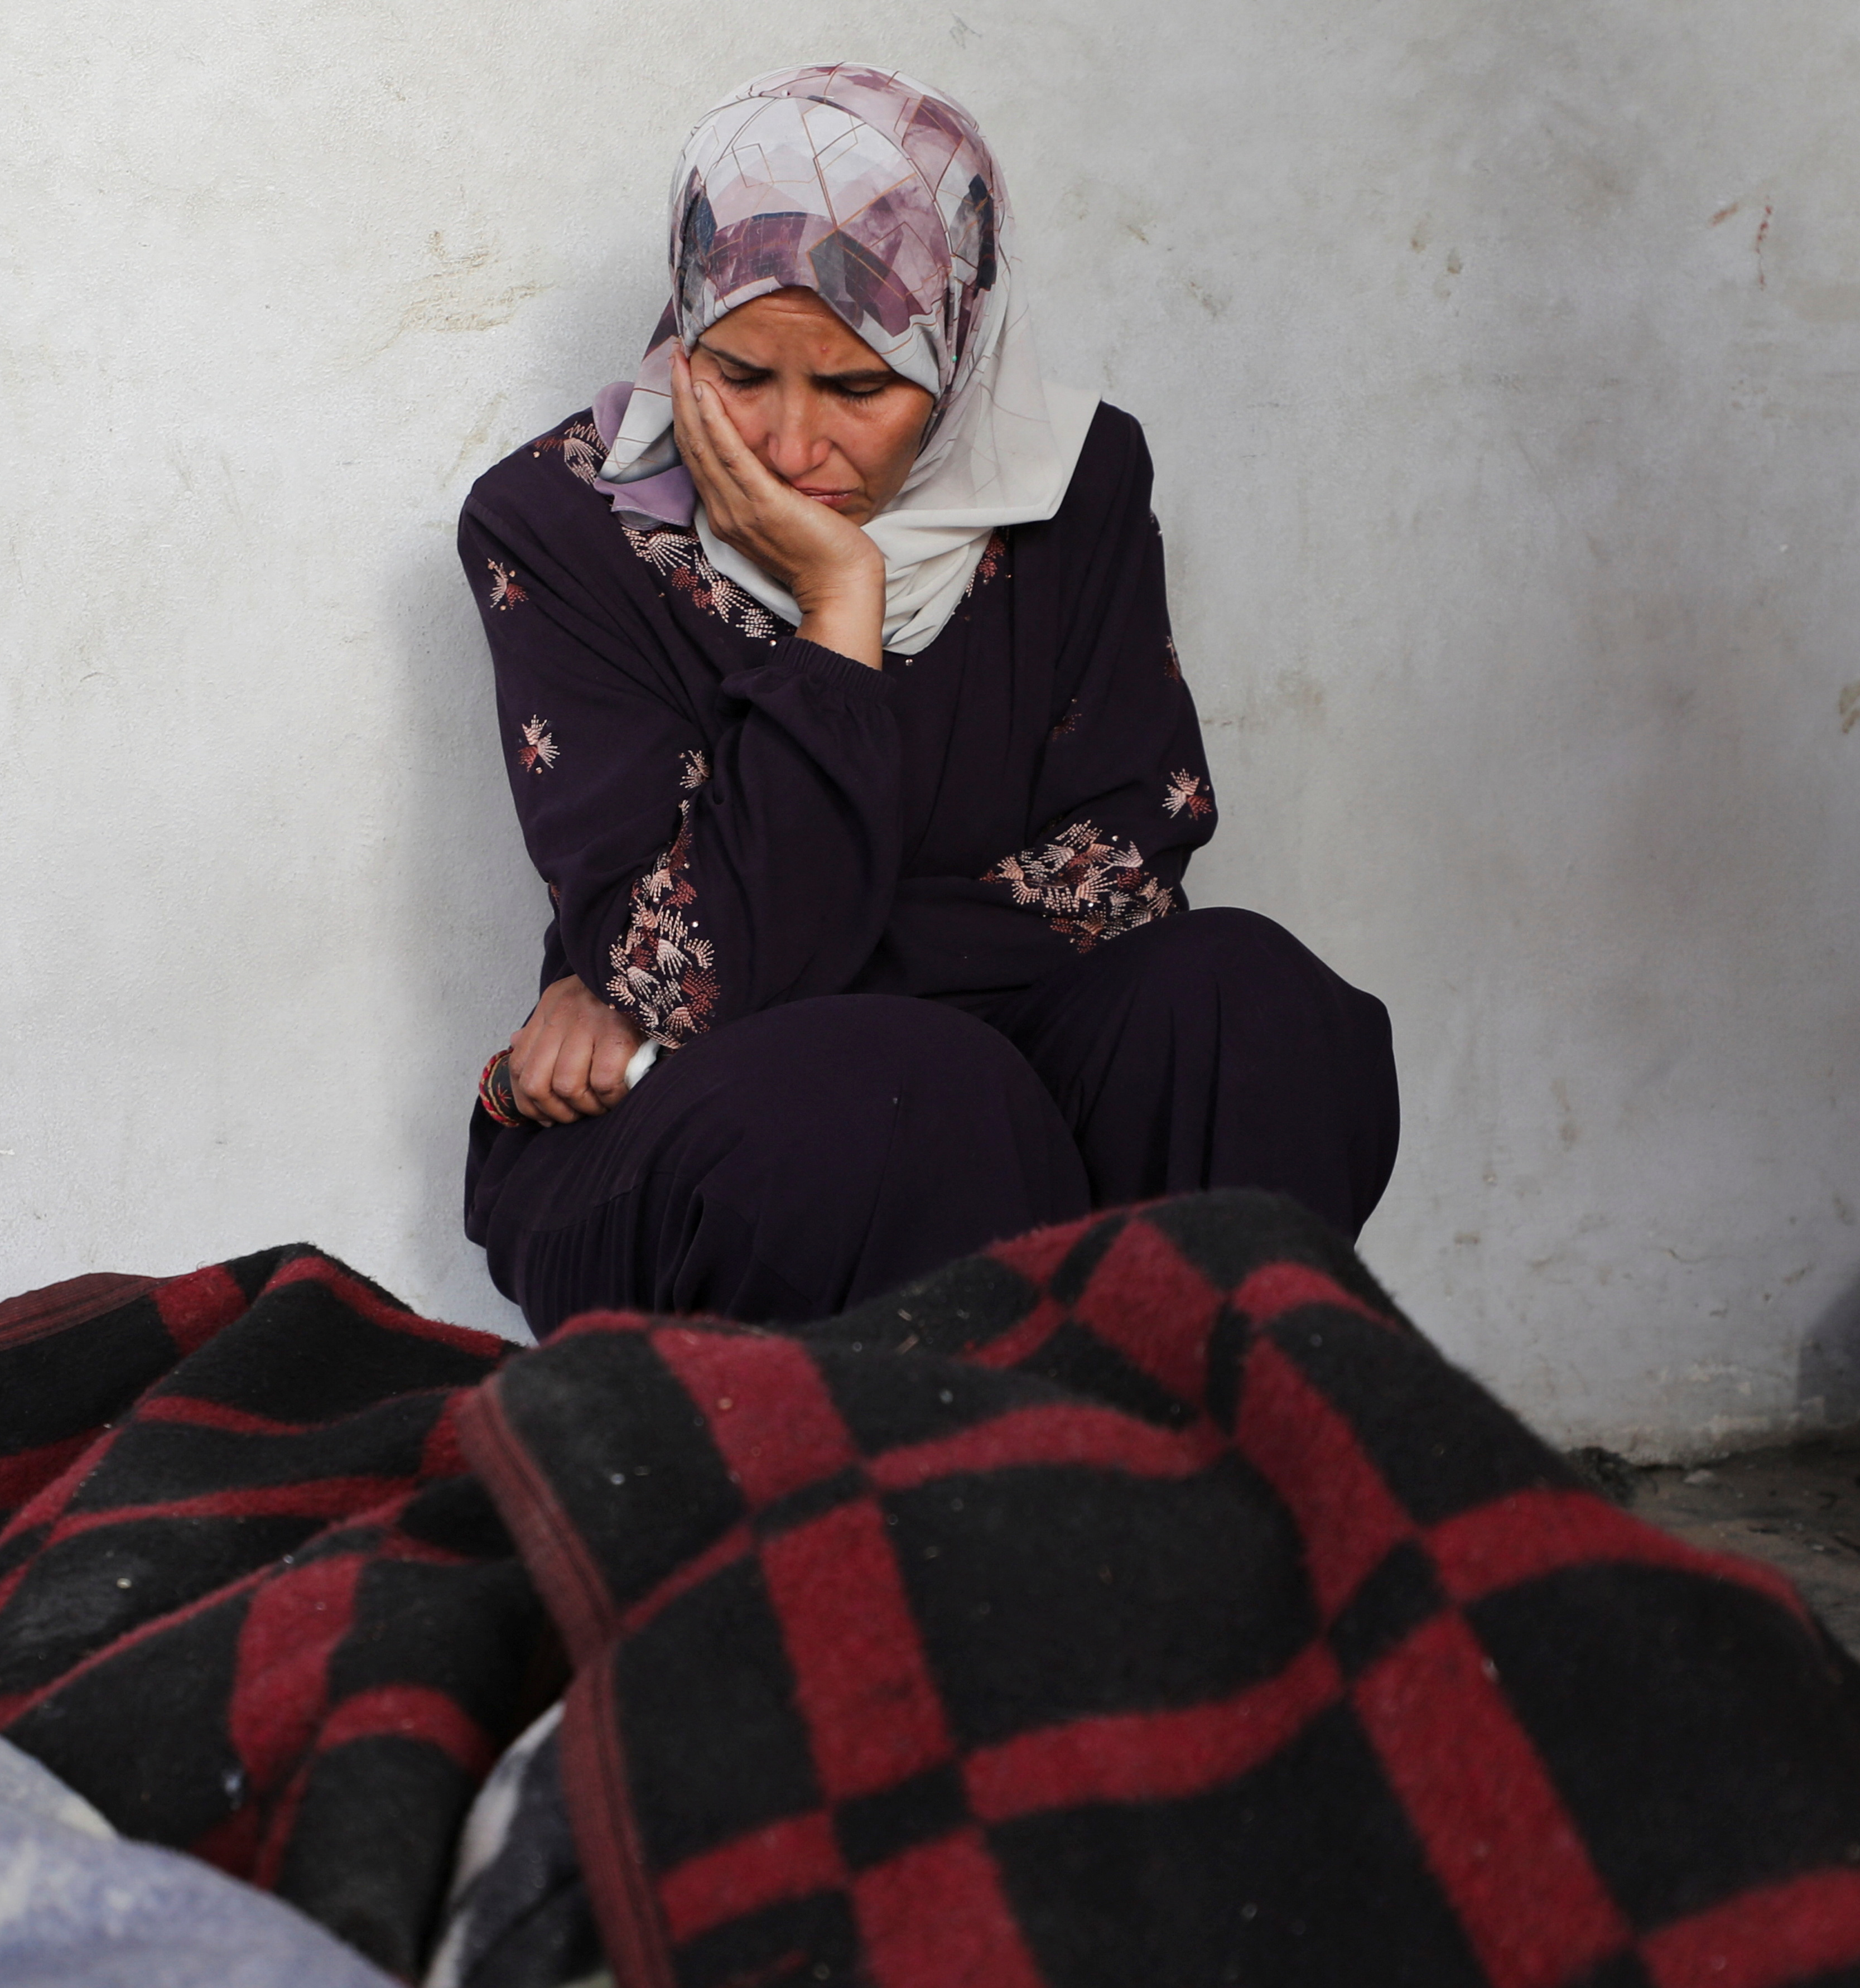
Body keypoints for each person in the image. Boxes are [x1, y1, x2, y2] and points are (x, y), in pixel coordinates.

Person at [459, 64, 1397, 1337]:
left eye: (857, 388)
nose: (789, 452)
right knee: (901, 1083)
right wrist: (838, 612)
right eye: (738, 374)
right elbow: (689, 981)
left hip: (951, 1075)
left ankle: (1196, 1479)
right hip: (709, 1130)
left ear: (957, 346)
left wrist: (648, 992)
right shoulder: (560, 527)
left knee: (1244, 999)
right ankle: (951, 1521)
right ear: (682, 330)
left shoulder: (1077, 484)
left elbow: (1126, 869)